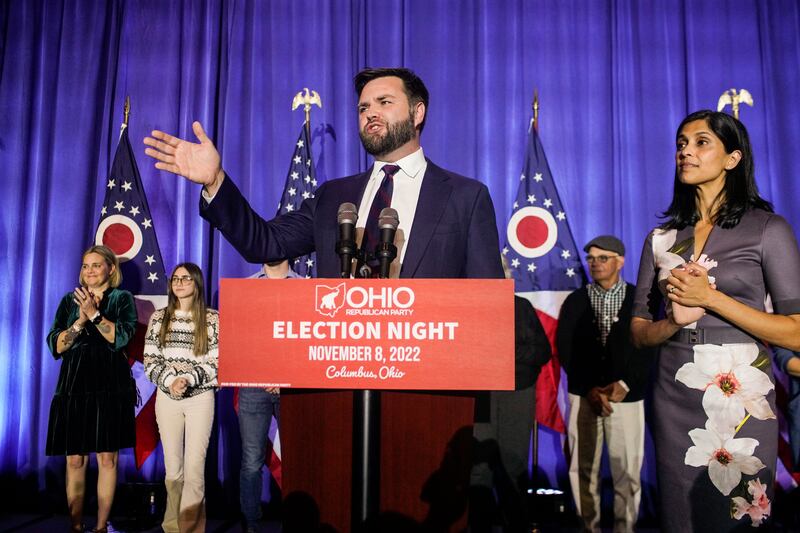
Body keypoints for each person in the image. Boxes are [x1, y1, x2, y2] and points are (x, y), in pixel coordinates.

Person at [142, 67, 503, 280]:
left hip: (429, 391)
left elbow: (486, 303)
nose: (370, 113)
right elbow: (265, 243)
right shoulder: (334, 197)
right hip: (340, 384)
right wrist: (215, 181)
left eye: (384, 103)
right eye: (363, 107)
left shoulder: (464, 196)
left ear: (418, 112)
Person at [630, 110, 800, 530]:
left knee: (739, 517)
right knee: (680, 518)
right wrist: (673, 321)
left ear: (733, 158)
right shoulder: (661, 238)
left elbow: (795, 330)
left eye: (701, 142)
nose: (685, 150)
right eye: (681, 143)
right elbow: (637, 332)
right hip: (673, 392)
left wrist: (712, 299)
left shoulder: (767, 228)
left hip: (741, 398)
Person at [556, 235, 656, 533]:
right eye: (591, 259)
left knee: (627, 472)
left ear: (620, 261)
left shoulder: (640, 299)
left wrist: (625, 383)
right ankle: (590, 527)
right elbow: (566, 348)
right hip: (585, 397)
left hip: (626, 397)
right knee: (583, 470)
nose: (595, 264)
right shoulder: (576, 301)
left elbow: (650, 346)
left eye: (603, 258)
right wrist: (590, 388)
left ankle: (625, 528)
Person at [45, 244, 137, 533]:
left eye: (96, 265)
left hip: (109, 383)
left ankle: (100, 526)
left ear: (111, 268)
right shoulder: (67, 301)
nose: (89, 271)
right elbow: (56, 345)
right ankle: (75, 526)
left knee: (107, 458)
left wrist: (96, 316)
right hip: (74, 384)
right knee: (74, 457)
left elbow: (120, 338)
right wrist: (80, 321)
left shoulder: (121, 299)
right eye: (85, 266)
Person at [470, 257, 552, 532]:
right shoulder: (469, 308)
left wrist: (507, 352)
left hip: (516, 393)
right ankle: (478, 525)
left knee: (513, 464)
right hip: (479, 395)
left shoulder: (521, 307)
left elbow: (542, 352)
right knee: (478, 468)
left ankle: (515, 525)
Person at [144, 263, 219, 533]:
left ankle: (191, 529)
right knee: (173, 471)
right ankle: (171, 527)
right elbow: (150, 361)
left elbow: (218, 362)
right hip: (167, 399)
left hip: (200, 398)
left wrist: (188, 379)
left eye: (186, 278)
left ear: (197, 283)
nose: (179, 282)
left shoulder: (212, 319)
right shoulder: (159, 318)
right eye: (175, 278)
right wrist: (170, 381)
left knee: (194, 470)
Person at [239, 259, 299, 532]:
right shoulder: (248, 287)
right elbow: (242, 339)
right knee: (251, 459)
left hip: (294, 386)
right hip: (254, 384)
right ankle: (251, 524)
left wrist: (286, 375)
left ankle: (298, 520)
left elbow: (306, 338)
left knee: (299, 458)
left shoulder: (305, 287)